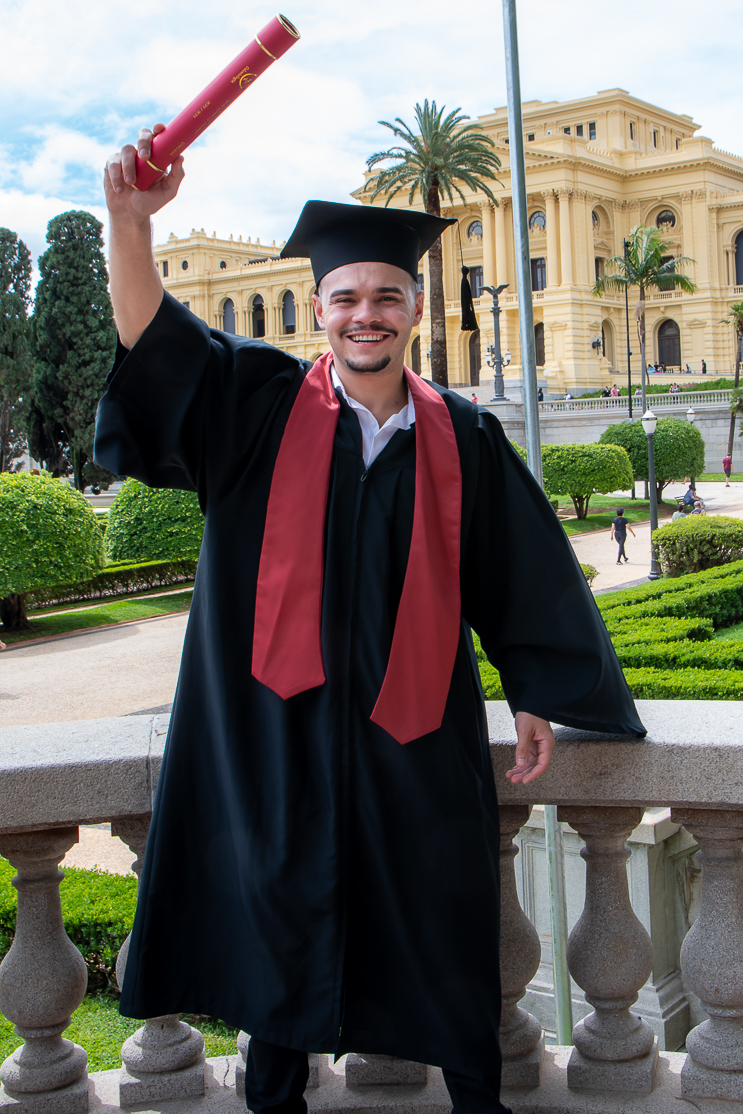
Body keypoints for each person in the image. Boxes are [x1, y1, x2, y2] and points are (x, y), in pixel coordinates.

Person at [96, 125, 645, 1114]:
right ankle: (275, 1097)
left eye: (386, 295)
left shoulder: (461, 435)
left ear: (415, 309)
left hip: (414, 735)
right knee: (279, 930)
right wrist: (129, 225)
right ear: (318, 310)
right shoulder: (256, 407)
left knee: (437, 923)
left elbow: (517, 571)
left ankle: (478, 1098)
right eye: (346, 297)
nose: (365, 315)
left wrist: (537, 688)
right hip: (276, 734)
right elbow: (156, 344)